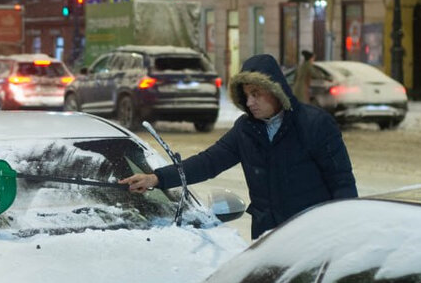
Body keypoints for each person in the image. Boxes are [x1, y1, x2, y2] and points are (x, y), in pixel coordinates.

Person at [121, 53, 356, 239]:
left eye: (256, 94)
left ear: (276, 91)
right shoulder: (246, 130)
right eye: (246, 96)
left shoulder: (314, 124)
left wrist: (346, 233)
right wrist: (156, 178)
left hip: (313, 235)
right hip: (268, 237)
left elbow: (342, 182)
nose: (250, 102)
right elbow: (209, 162)